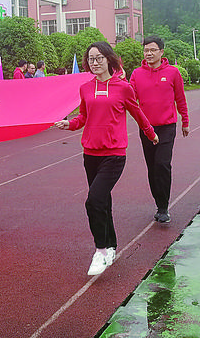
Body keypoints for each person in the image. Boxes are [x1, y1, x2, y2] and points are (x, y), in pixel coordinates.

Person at [54, 41, 158, 276]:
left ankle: (100, 249)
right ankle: (110, 246)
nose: (95, 62)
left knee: (94, 200)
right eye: (91, 59)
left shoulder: (123, 88)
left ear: (109, 59)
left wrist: (151, 134)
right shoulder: (86, 88)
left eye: (99, 58)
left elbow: (137, 113)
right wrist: (68, 124)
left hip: (114, 154)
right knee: (103, 202)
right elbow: (83, 117)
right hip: (90, 153)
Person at [130, 37, 190, 225]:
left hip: (166, 127)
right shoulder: (137, 74)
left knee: (162, 164)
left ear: (161, 52)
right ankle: (159, 203)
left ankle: (163, 208)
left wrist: (185, 121)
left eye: (153, 50)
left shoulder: (172, 73)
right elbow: (130, 98)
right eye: (146, 50)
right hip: (146, 129)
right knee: (152, 167)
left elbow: (180, 98)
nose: (149, 53)